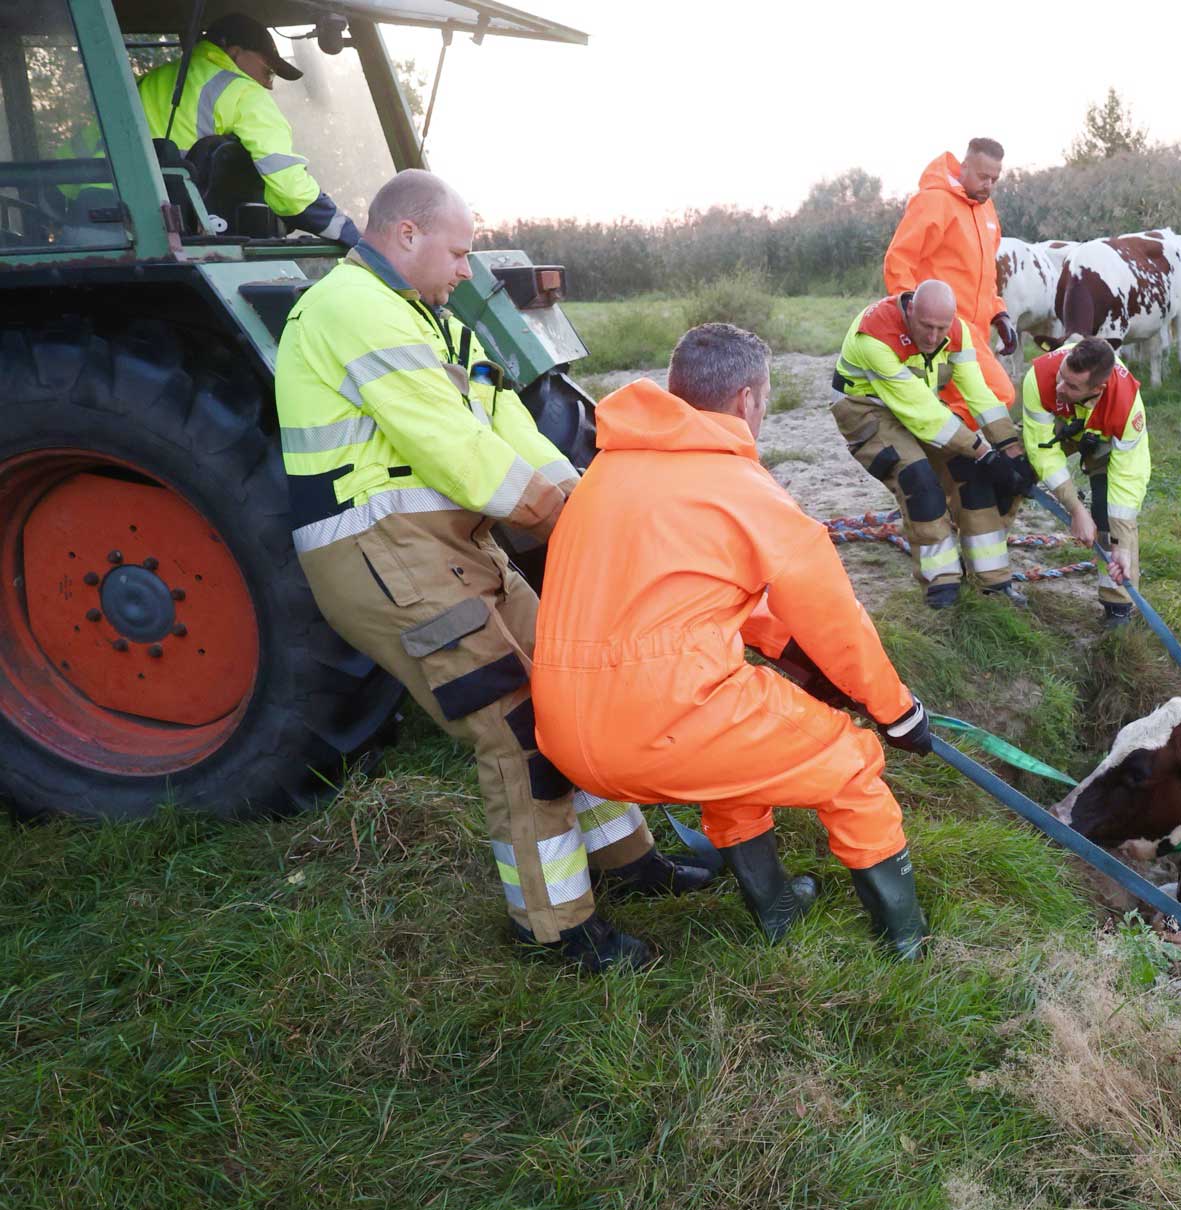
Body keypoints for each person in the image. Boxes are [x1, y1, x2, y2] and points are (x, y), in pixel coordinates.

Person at [275, 170, 707, 976]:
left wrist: (587, 503)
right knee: (516, 729)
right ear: (406, 234)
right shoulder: (352, 309)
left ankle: (631, 864)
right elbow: (455, 448)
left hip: (449, 545)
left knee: (568, 690)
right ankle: (554, 927)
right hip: (380, 555)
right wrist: (557, 516)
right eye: (459, 251)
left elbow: (503, 422)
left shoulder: (433, 323)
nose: (468, 270)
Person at [531, 323, 936, 960]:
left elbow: (702, 594)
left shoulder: (604, 475)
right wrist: (897, 714)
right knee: (853, 762)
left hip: (563, 737)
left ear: (674, 391)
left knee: (734, 758)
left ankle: (777, 908)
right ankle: (907, 943)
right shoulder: (742, 490)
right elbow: (840, 624)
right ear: (747, 400)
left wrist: (789, 654)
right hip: (659, 724)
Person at [831, 280, 1033, 608]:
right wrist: (984, 452)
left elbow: (978, 393)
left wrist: (1010, 448)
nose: (933, 337)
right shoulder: (874, 335)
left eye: (941, 328)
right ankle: (942, 589)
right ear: (910, 309)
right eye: (926, 326)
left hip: (920, 405)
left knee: (973, 473)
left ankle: (993, 584)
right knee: (919, 480)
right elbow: (922, 415)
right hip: (867, 410)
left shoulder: (958, 332)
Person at [136, 13, 359, 243]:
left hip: (114, 221)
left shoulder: (148, 81)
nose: (269, 85)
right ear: (234, 52)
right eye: (268, 71)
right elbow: (288, 186)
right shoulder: (243, 92)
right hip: (179, 233)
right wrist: (348, 234)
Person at [1019, 339, 1151, 626]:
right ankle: (990, 576)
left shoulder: (1126, 404)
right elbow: (1042, 450)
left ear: (1097, 389)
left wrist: (1122, 544)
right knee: (1012, 473)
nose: (1060, 388)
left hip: (1101, 440)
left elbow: (1128, 478)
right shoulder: (1040, 378)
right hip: (1057, 429)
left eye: (1071, 386)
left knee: (1107, 514)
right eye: (1061, 376)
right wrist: (1075, 508)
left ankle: (1118, 605)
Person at [884, 138, 1018, 417]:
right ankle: (945, 449)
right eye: (983, 177)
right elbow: (898, 261)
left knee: (965, 403)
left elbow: (985, 274)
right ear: (964, 166)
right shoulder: (934, 201)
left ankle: (943, 452)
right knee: (999, 394)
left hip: (977, 334)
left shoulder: (986, 210)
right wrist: (913, 314)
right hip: (946, 329)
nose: (988, 185)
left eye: (995, 179)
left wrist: (999, 314)